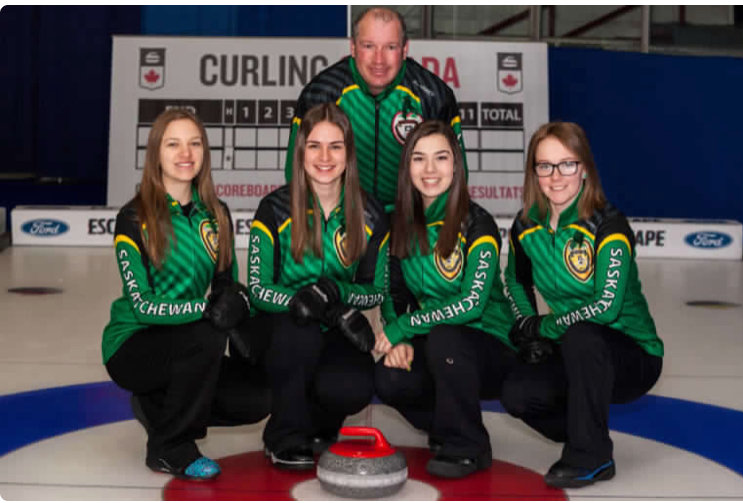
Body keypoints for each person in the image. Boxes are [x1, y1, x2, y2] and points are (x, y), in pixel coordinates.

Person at [102, 109, 270, 481]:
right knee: (207, 333)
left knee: (258, 397)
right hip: (133, 344)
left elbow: (227, 289)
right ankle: (170, 448)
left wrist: (241, 319)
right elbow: (142, 305)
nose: (186, 153)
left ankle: (158, 405)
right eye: (173, 143)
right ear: (156, 154)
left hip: (188, 341)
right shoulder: (134, 218)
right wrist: (205, 309)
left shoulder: (217, 214)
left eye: (194, 143)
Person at [500, 121, 664, 488]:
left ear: (585, 168)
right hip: (573, 343)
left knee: (583, 335)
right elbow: (515, 279)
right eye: (545, 166)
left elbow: (606, 306)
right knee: (517, 392)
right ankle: (581, 427)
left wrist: (543, 327)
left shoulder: (608, 225)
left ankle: (592, 455)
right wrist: (528, 327)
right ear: (534, 172)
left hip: (631, 354)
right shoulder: (526, 225)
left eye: (567, 164)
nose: (556, 176)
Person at [248, 103, 389, 470]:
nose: (324, 156)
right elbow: (259, 288)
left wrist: (336, 294)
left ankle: (317, 425)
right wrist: (303, 300)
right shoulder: (274, 208)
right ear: (301, 151)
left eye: (335, 146)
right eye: (314, 145)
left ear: (349, 153)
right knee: (302, 334)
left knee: (352, 386)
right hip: (281, 325)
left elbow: (376, 289)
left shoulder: (372, 213)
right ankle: (286, 436)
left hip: (336, 323)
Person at [373, 120, 516, 479]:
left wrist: (407, 325)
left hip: (490, 344)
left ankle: (469, 446)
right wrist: (399, 337)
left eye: (441, 158)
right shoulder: (398, 223)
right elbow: (393, 292)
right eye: (419, 159)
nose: (430, 169)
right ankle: (445, 426)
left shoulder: (477, 224)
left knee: (446, 339)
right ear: (407, 167)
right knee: (389, 377)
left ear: (457, 165)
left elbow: (472, 304)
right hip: (437, 338)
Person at [284, 7, 467, 209]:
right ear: (353, 48)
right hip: (344, 217)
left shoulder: (434, 95)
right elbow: (295, 170)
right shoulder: (320, 93)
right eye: (368, 46)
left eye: (390, 47)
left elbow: (458, 174)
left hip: (410, 220)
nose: (379, 60)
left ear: (405, 50)